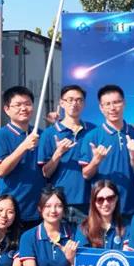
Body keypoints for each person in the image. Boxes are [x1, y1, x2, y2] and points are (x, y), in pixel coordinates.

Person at [80, 84, 134, 219]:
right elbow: (86, 174)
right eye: (107, 104)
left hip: (133, 207)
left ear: (124, 103)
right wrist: (96, 161)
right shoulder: (92, 137)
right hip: (104, 208)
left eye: (116, 102)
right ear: (101, 108)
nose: (112, 108)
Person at [38, 85, 96, 224]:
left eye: (79, 100)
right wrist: (58, 153)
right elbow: (45, 173)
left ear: (84, 104)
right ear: (62, 103)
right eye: (70, 100)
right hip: (60, 203)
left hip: (89, 201)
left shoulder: (93, 131)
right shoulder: (49, 134)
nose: (74, 103)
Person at [0, 86, 44, 228]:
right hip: (12, 211)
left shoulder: (41, 134)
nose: (23, 108)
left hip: (39, 210)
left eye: (27, 104)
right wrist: (23, 146)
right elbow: (0, 170)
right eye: (18, 105)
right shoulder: (0, 136)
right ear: (7, 109)